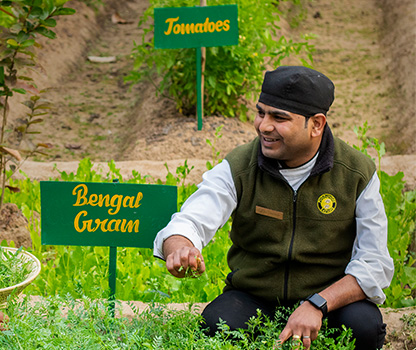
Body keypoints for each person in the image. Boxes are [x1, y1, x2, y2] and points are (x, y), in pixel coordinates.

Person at [153, 66, 394, 350]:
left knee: (364, 328)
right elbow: (190, 221)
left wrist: (317, 305)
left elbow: (374, 264)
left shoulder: (355, 174)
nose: (264, 126)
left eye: (279, 118)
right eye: (261, 113)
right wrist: (180, 246)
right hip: (254, 297)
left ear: (316, 124)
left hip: (330, 301)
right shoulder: (240, 166)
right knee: (217, 324)